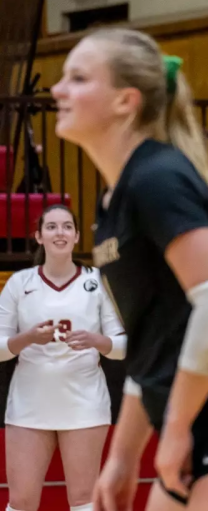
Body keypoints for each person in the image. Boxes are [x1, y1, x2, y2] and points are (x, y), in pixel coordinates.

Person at [51, 28, 208, 511]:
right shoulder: (114, 201)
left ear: (126, 100)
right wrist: (122, 458)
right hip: (189, 435)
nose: (59, 90)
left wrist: (177, 428)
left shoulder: (157, 177)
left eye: (77, 78)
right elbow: (151, 347)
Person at [0, 205, 126, 511]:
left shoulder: (97, 281)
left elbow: (122, 346)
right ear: (38, 236)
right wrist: (28, 337)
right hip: (29, 404)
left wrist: (97, 340)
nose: (60, 233)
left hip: (84, 402)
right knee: (20, 502)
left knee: (84, 501)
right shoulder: (19, 283)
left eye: (67, 226)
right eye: (52, 227)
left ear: (76, 236)